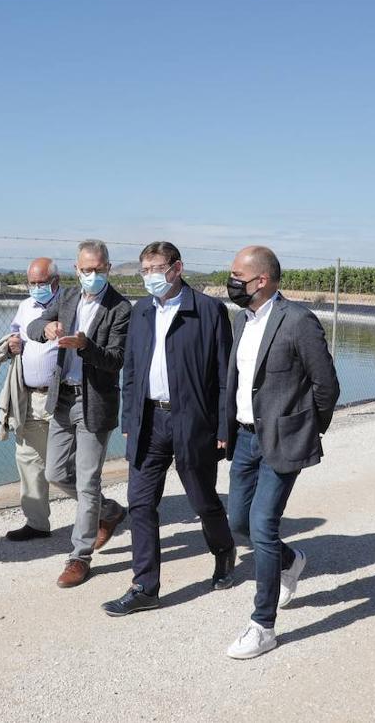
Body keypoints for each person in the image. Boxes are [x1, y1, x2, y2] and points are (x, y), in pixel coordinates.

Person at [102, 242, 236, 616]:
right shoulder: (142, 311)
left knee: (202, 499)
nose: (150, 277)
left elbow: (225, 376)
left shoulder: (208, 311)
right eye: (144, 270)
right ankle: (145, 586)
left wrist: (224, 426)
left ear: (177, 268)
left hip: (193, 422)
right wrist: (130, 420)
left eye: (156, 268)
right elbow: (131, 372)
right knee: (141, 503)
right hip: (148, 421)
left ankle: (224, 550)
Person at [222, 245, 340, 658]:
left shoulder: (297, 321)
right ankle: (291, 561)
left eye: (237, 275)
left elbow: (327, 386)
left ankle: (263, 625)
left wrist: (305, 430)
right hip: (245, 438)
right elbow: (235, 381)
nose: (231, 280)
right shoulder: (242, 319)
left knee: (263, 525)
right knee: (238, 522)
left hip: (283, 441)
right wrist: (226, 430)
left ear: (262, 281)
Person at [27, 239, 131, 588]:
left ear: (108, 268)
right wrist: (46, 329)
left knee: (88, 481)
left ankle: (79, 557)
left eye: (98, 270)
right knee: (56, 472)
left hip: (94, 402)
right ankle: (110, 511)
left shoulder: (120, 308)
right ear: (76, 269)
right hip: (62, 400)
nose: (92, 275)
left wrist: (87, 347)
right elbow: (33, 324)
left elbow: (116, 359)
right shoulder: (68, 297)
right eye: (86, 270)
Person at [0, 257, 62, 541]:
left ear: (56, 281)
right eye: (32, 282)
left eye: (42, 282)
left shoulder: (70, 306)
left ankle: (102, 511)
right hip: (28, 397)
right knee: (28, 459)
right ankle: (37, 523)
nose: (37, 287)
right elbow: (16, 335)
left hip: (60, 398)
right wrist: (12, 343)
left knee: (63, 465)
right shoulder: (25, 306)